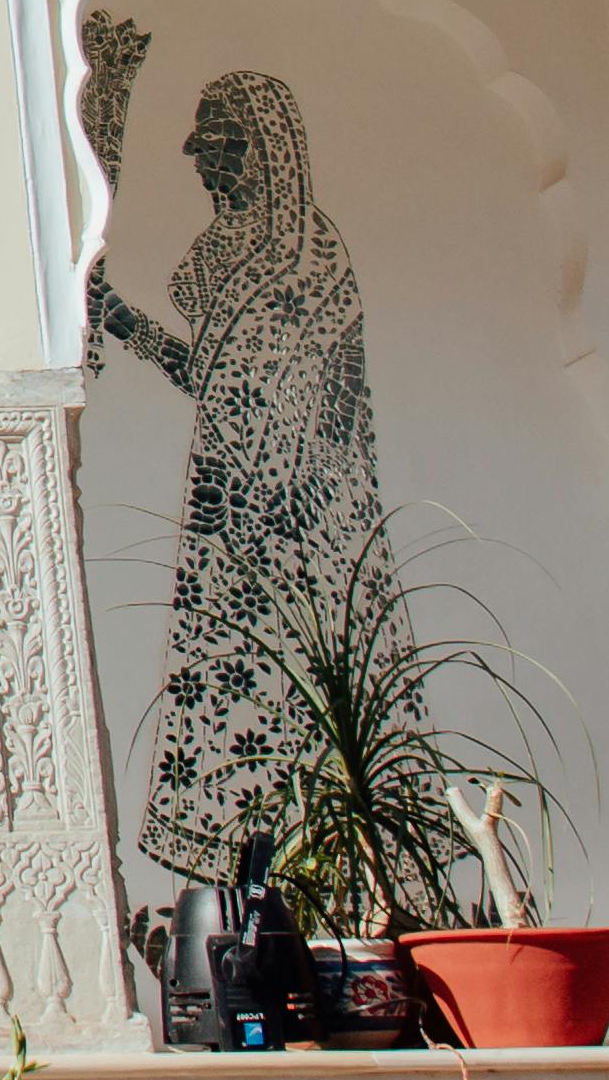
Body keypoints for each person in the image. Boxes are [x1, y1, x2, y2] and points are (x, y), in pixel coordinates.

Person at [85, 68, 388, 883]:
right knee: (228, 694)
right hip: (224, 510)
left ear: (258, 153)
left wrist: (270, 490)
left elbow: (330, 402)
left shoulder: (307, 257)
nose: (194, 153)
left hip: (299, 526)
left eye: (213, 138)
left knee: (303, 700)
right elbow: (215, 379)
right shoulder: (222, 250)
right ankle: (239, 884)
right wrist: (126, 325)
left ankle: (331, 885)